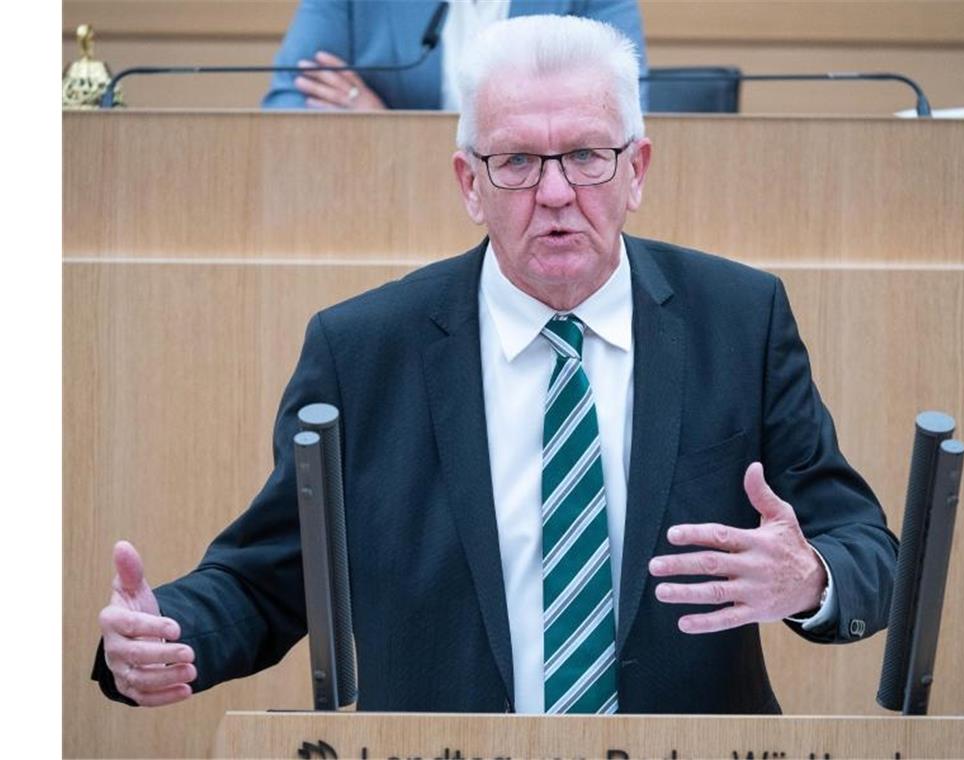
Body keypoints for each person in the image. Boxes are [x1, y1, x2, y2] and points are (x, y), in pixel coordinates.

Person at [94, 15, 897, 714]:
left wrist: (812, 576)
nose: (553, 192)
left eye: (587, 155)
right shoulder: (364, 350)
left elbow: (866, 546)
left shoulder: (738, 320)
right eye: (516, 161)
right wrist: (168, 633)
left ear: (637, 170)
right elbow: (275, 575)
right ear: (468, 184)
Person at [262, 0, 648, 111]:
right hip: (390, 210)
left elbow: (625, 106)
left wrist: (387, 131)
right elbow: (289, 101)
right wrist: (372, 134)